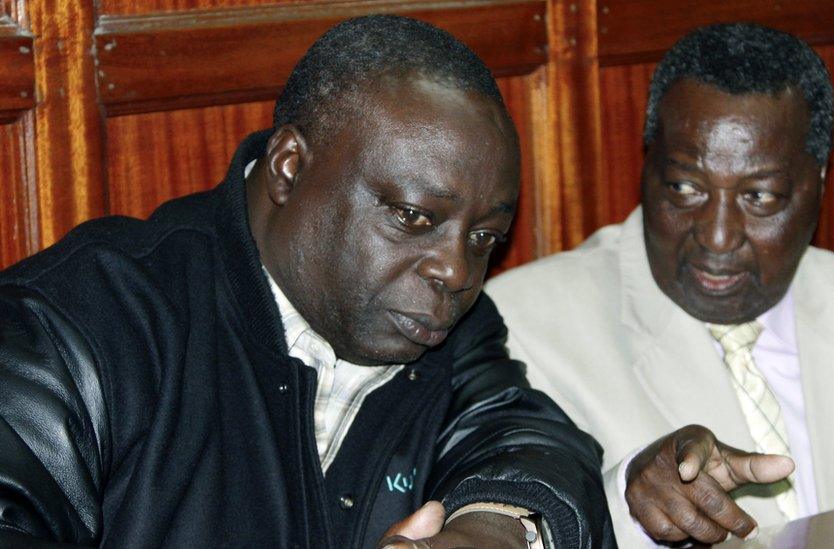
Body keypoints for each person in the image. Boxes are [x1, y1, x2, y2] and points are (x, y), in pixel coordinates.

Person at [0, 15, 614, 548]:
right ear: (290, 168)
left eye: (484, 238)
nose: (456, 270)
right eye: (412, 217)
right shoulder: (81, 318)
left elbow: (531, 442)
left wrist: (499, 527)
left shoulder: (451, 330)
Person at [486, 22, 834, 547]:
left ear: (820, 183)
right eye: (685, 187)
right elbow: (503, 526)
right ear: (645, 167)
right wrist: (627, 500)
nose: (717, 238)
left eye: (760, 197)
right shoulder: (516, 332)